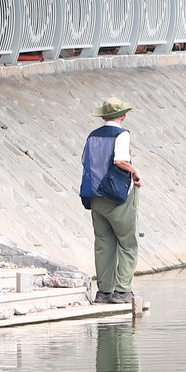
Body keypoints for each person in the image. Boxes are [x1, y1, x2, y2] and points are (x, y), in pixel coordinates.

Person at [79, 97, 143, 305]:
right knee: (128, 244)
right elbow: (120, 160)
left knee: (103, 244)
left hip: (94, 196)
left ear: (104, 116)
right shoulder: (122, 134)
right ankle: (123, 291)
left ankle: (104, 292)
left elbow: (84, 161)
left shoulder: (92, 136)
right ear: (123, 116)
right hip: (117, 198)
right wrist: (136, 171)